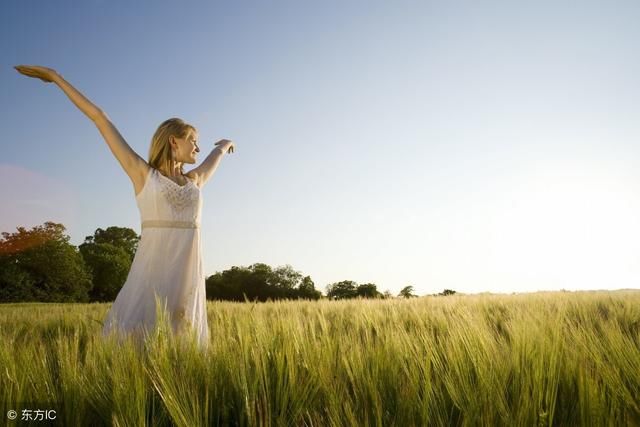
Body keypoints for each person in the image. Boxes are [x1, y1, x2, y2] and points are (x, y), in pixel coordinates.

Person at [14, 65, 235, 351]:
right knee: (140, 337)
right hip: (152, 272)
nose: (198, 147)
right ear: (173, 141)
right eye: (193, 140)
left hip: (188, 275)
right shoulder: (144, 175)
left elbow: (215, 157)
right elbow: (100, 118)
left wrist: (225, 145)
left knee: (182, 340)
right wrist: (56, 78)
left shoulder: (195, 181)